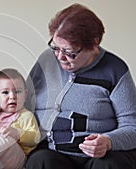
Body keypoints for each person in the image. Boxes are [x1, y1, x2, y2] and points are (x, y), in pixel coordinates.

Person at [25, 3, 136, 169]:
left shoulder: (115, 70)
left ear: (94, 44)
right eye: (56, 47)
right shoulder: (47, 60)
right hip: (52, 151)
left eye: (69, 52)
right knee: (40, 161)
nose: (60, 57)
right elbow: (21, 102)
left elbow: (132, 126)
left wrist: (108, 141)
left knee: (111, 165)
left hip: (100, 156)